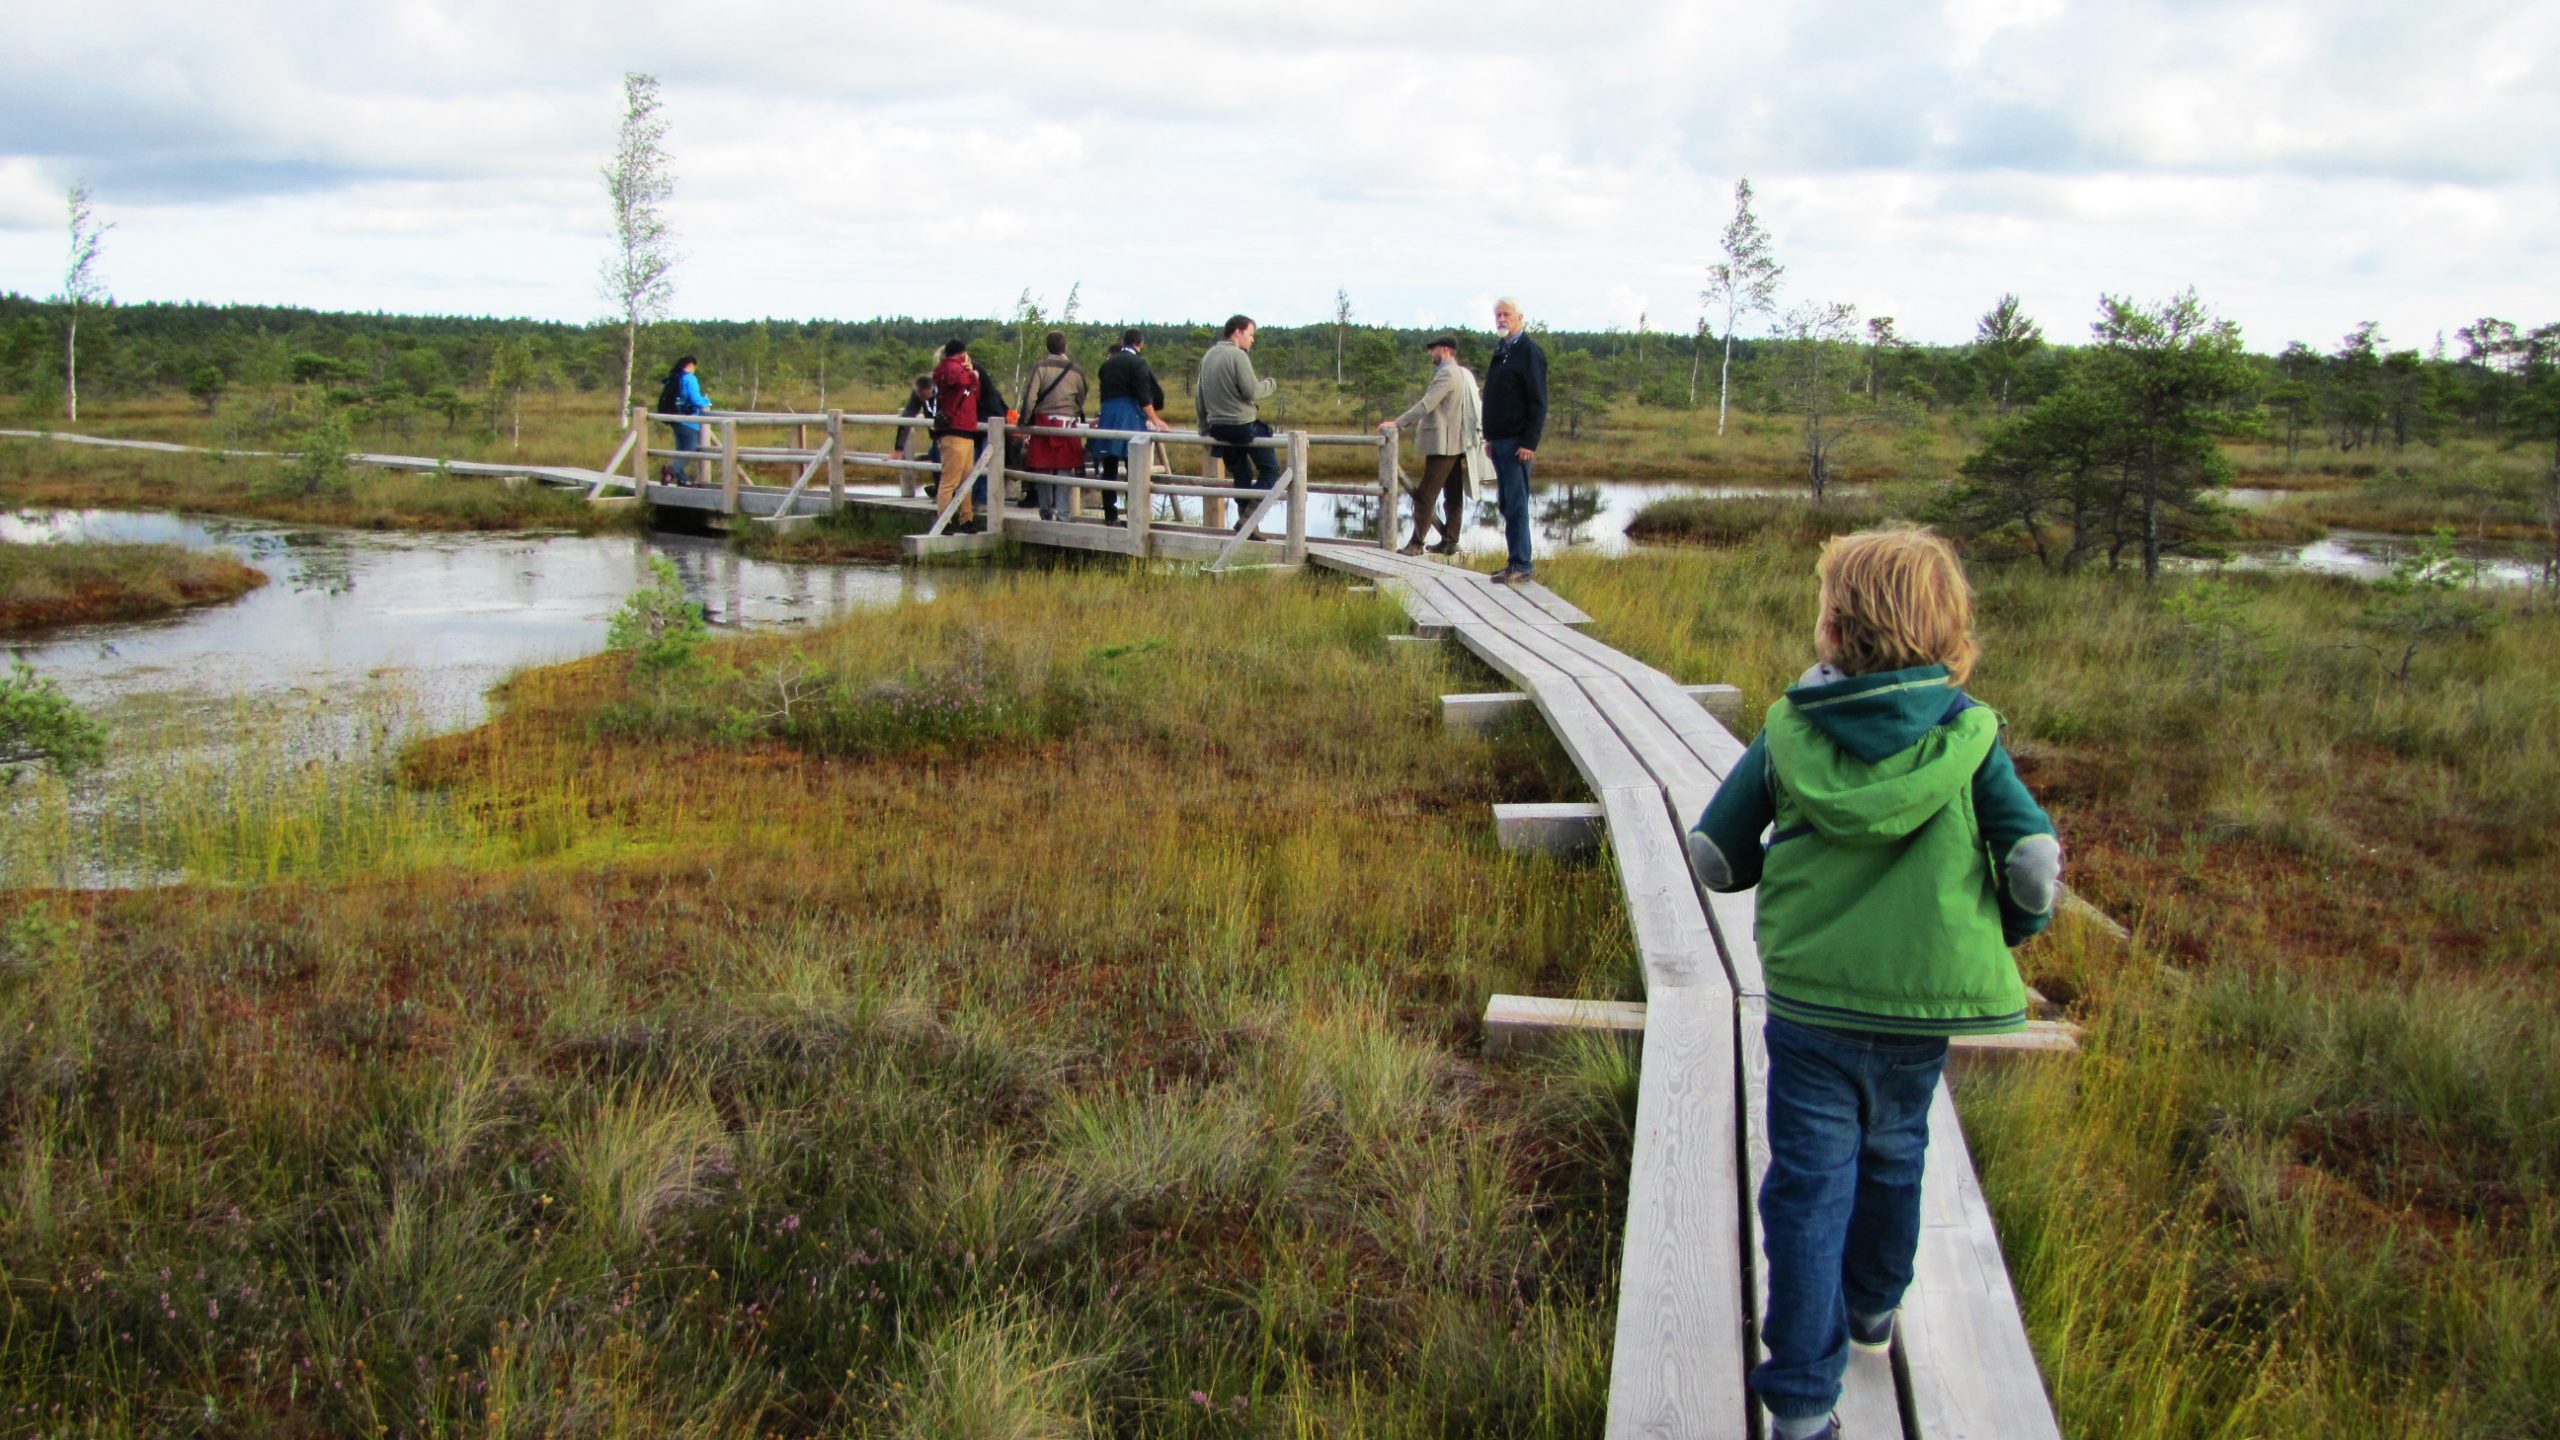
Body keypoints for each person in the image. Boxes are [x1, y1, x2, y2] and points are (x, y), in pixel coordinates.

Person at [1685, 526, 2063, 1440]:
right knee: (1896, 1155)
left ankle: (1805, 1403)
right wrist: (2006, 931)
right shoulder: (1972, 736)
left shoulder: (1789, 729)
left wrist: (1761, 862)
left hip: (1812, 1006)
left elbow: (1714, 856)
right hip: (1919, 1008)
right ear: (1947, 628)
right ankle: (1873, 1309)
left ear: (1835, 627)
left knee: (1808, 1188)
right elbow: (2034, 864)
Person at [1378, 336, 1490, 555]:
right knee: (1453, 494)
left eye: (1433, 349)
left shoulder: (1447, 373)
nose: (1430, 353)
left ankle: (1416, 543)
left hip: (1444, 444)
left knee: (1425, 495)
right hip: (1457, 443)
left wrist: (1398, 423)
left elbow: (1427, 404)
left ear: (1446, 350)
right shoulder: (1462, 373)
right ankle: (1449, 541)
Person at [1480, 298, 1548, 583]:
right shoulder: (1503, 352)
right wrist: (1490, 438)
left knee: (1517, 502)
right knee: (1507, 503)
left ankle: (1522, 564)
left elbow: (1538, 402)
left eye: (1506, 314)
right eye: (1498, 315)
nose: (1501, 319)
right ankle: (1514, 562)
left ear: (1520, 317)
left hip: (1518, 443)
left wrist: (1529, 443)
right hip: (1500, 442)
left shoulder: (1528, 352)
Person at [1196, 314, 1281, 532]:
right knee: (1271, 470)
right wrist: (1270, 384)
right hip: (1242, 426)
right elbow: (1251, 391)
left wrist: (1204, 430)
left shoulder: (1208, 356)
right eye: (1250, 334)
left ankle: (1248, 527)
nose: (1252, 340)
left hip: (1218, 429)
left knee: (1242, 475)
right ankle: (1249, 519)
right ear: (1237, 332)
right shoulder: (1238, 355)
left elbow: (1200, 396)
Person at [1092, 329, 1169, 526]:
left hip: (1108, 415)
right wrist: (1155, 418)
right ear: (1140, 343)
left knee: (1109, 466)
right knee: (1133, 466)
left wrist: (1099, 416)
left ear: (1123, 342)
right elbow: (1144, 395)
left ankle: (1111, 515)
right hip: (1129, 415)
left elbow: (1104, 395)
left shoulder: (1107, 364)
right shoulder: (1138, 363)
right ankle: (1134, 516)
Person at [1020, 331, 1088, 520]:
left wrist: (1024, 422)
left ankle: (1046, 513)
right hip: (1067, 424)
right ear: (1064, 346)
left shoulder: (1040, 367)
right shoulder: (1076, 370)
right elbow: (1082, 396)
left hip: (1043, 423)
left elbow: (1030, 398)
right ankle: (1064, 515)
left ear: (1047, 347)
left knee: (1043, 468)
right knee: (1064, 468)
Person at [930, 339, 983, 528]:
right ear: (962, 353)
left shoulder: (943, 368)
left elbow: (974, 391)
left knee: (965, 480)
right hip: (957, 429)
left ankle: (965, 518)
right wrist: (971, 372)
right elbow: (962, 380)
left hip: (963, 430)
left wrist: (970, 374)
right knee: (951, 480)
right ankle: (945, 520)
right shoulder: (953, 369)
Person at [658, 356, 714, 485]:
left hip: (673, 417)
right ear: (690, 365)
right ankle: (671, 471)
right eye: (694, 367)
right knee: (691, 447)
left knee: (681, 448)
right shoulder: (689, 378)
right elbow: (695, 399)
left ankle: (682, 479)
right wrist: (706, 402)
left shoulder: (674, 377)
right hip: (687, 419)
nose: (695, 370)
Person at [892, 374, 937, 465]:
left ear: (931, 389)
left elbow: (966, 393)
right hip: (937, 435)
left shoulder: (947, 387)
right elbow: (907, 417)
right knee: (937, 466)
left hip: (957, 434)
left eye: (924, 395)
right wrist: (899, 448)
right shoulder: (918, 392)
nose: (921, 397)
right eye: (919, 395)